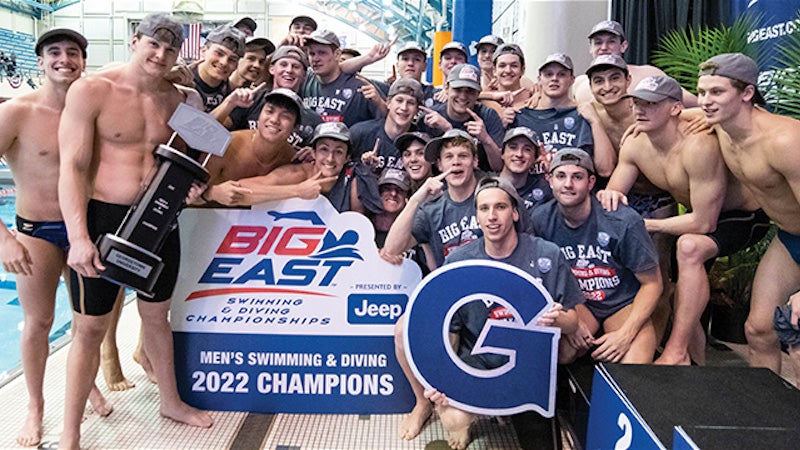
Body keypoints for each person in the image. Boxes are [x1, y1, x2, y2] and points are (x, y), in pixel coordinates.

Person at [57, 13, 213, 449]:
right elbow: (71, 168)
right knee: (88, 328)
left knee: (156, 318)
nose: (160, 56)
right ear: (134, 40)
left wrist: (198, 185)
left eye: (170, 50)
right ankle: (70, 431)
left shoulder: (185, 101)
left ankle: (170, 401)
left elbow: (196, 164)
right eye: (153, 45)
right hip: (104, 219)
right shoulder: (92, 90)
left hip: (160, 222)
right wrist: (78, 238)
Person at [399, 175, 582, 450]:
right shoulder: (459, 261)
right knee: (453, 419)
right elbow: (451, 331)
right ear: (477, 217)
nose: (492, 216)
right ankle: (477, 413)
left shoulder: (547, 253)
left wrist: (559, 320)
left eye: (500, 207)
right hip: (479, 362)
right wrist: (441, 380)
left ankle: (509, 410)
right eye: (484, 209)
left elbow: (572, 322)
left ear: (516, 213)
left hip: (527, 369)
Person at [598, 75, 769, 365]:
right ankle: (696, 363)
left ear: (675, 108)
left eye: (651, 104)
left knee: (689, 248)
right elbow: (612, 196)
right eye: (637, 103)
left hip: (744, 217)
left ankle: (676, 351)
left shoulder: (699, 144)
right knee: (684, 293)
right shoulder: (636, 143)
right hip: (697, 217)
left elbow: (704, 223)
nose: (640, 110)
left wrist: (647, 224)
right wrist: (608, 201)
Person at [0, 28, 112, 448]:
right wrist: (5, 237)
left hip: (88, 229)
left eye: (73, 53)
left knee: (87, 326)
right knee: (40, 323)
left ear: (84, 61)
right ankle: (34, 404)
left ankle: (86, 386)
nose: (64, 59)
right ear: (41, 61)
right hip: (38, 232)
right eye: (54, 52)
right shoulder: (17, 112)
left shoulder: (96, 109)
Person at [696, 52, 800, 381]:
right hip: (788, 237)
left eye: (716, 93)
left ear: (747, 93)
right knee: (758, 330)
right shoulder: (723, 127)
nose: (705, 102)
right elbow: (671, 107)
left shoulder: (784, 141)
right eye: (701, 92)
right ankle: (767, 419)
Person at [534, 148, 662, 364]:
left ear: (591, 182)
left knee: (635, 363)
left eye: (577, 177)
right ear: (550, 180)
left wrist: (625, 334)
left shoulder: (623, 221)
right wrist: (571, 322)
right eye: (561, 176)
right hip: (578, 303)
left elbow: (653, 284)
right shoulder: (539, 219)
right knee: (560, 354)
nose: (568, 184)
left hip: (621, 303)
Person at [382, 129, 484, 271]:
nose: (456, 162)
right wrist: (416, 199)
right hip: (451, 287)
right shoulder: (430, 210)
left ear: (475, 161)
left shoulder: (493, 198)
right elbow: (391, 249)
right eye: (449, 157)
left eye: (463, 156)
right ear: (439, 165)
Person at [230, 122, 382, 214]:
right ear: (313, 153)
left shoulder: (353, 180)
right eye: (324, 149)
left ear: (347, 158)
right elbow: (240, 188)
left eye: (338, 152)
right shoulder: (297, 174)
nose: (330, 158)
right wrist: (297, 190)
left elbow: (358, 224)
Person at [512, 53, 615, 178]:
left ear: (572, 79)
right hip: (528, 194)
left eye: (561, 74)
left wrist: (595, 122)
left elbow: (606, 170)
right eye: (548, 74)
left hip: (569, 193)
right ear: (539, 79)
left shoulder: (583, 114)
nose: (554, 78)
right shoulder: (519, 115)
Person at [200, 89, 302, 205]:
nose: (274, 120)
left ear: (295, 128)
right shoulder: (225, 145)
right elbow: (188, 194)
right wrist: (212, 193)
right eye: (269, 111)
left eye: (285, 117)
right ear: (259, 115)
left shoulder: (293, 158)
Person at [217, 45, 322, 150]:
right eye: (283, 64)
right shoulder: (249, 99)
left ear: (304, 74)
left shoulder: (312, 119)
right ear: (272, 69)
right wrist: (229, 103)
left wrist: (313, 154)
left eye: (296, 66)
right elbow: (215, 130)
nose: (289, 70)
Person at [572, 19, 697, 106]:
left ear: (623, 46)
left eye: (611, 41)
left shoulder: (648, 74)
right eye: (598, 42)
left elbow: (693, 103)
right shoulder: (579, 84)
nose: (604, 47)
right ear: (590, 48)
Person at [419, 63, 505, 172]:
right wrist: (448, 130)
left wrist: (486, 139)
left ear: (478, 93)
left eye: (470, 91)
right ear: (446, 88)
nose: (463, 96)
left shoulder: (488, 116)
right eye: (458, 89)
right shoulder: (431, 117)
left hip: (481, 181)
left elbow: (499, 167)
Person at [301, 29, 380, 126]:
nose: (316, 59)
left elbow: (384, 120)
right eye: (312, 54)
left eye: (322, 53)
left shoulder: (359, 87)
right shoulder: (305, 80)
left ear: (337, 54)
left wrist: (379, 103)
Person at [354, 78, 423, 174]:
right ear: (388, 103)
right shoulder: (361, 133)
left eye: (411, 103)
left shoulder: (421, 140)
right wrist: (364, 168)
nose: (404, 108)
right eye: (399, 100)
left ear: (417, 110)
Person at [192, 23, 246, 111]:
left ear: (236, 65)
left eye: (232, 59)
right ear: (203, 51)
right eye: (219, 53)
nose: (224, 62)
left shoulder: (231, 92)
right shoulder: (182, 80)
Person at [498, 127, 552, 210]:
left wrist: (550, 171)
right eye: (513, 147)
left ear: (535, 157)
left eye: (527, 149)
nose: (519, 154)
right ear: (502, 153)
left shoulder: (545, 189)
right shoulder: (487, 186)